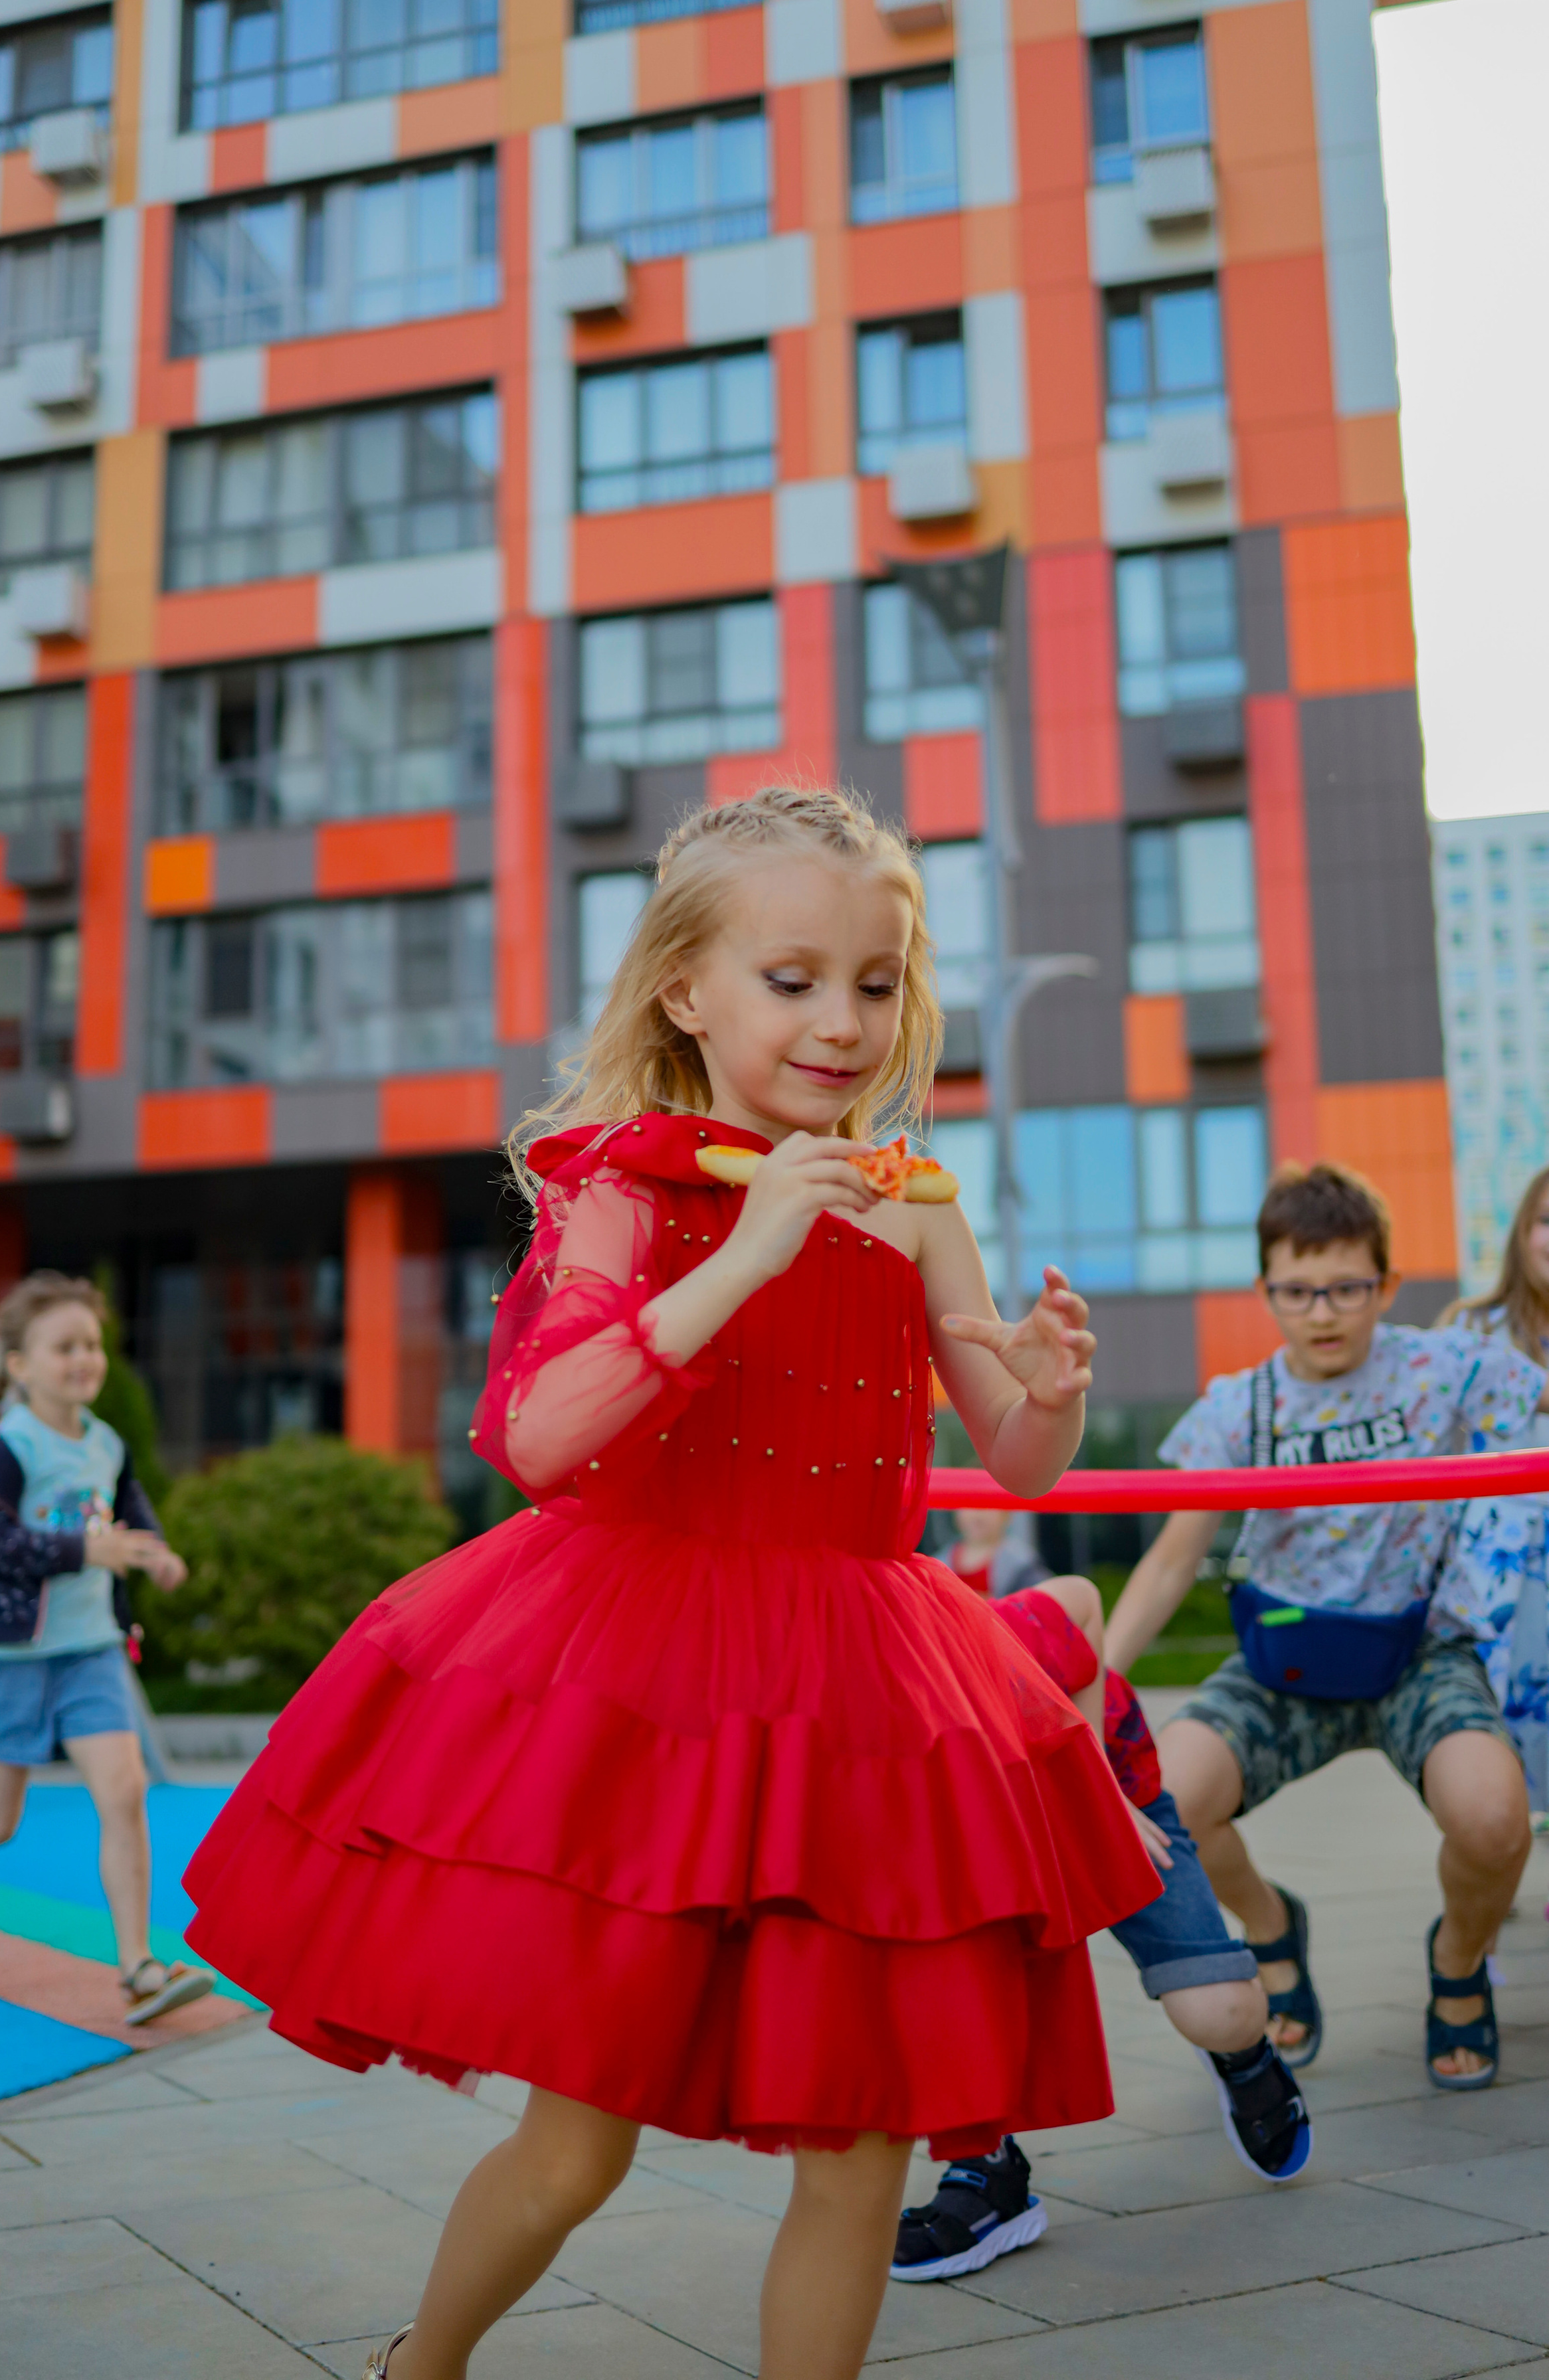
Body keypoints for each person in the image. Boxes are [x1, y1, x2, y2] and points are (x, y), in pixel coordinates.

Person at [181, 786, 1158, 2380]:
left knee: (859, 2149)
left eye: (874, 979)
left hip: (859, 1694)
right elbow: (540, 1434)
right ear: (684, 990)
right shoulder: (623, 1185)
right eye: (792, 978)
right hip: (648, 1682)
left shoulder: (913, 1201)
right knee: (578, 2148)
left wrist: (1041, 1382)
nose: (840, 1020)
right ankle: (417, 2364)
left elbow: (1018, 1458)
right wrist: (744, 1250)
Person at [1105, 1161, 1542, 2094]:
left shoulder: (1445, 1366)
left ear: (1385, 1285)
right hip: (1286, 1659)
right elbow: (1174, 1558)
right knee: (1165, 1794)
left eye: (1347, 1287)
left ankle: (1459, 1964)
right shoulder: (1239, 1405)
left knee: (1498, 1817)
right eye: (1298, 1290)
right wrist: (1085, 1683)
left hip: (1419, 1650)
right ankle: (1270, 1927)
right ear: (1266, 1292)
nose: (1323, 1311)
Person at [893, 1575, 1310, 2280]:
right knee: (936, 1984)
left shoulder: (975, 1635)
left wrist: (1096, 1784)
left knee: (1221, 2011)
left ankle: (1245, 2056)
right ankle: (986, 2171)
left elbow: (1083, 1600)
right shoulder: (826, 1714)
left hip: (1116, 1804)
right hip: (989, 1841)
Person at [0, 1272, 217, 2027]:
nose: (83, 1359)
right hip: (9, 1659)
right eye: (63, 1346)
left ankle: (137, 1968)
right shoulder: (6, 1447)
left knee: (125, 1792)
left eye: (91, 1344)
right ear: (18, 1365)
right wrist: (86, 1552)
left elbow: (131, 1515)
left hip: (90, 1653)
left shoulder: (105, 1442)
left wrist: (155, 1553)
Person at [1437, 1165, 1549, 1815]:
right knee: (1484, 1747)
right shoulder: (1468, 1331)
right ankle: (1490, 1873)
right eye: (1545, 1220)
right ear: (1521, 1233)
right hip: (1488, 1579)